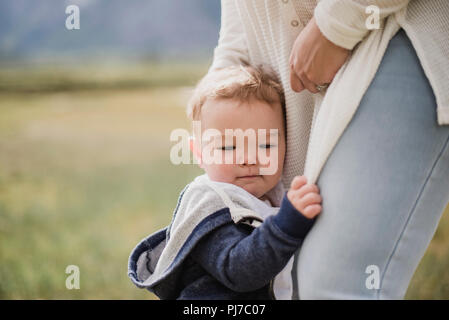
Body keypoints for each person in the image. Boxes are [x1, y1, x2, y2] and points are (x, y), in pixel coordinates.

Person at [210, 0, 449, 299]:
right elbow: (237, 35)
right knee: (296, 286)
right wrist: (211, 130)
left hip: (401, 32)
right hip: (301, 104)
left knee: (335, 286)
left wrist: (334, 25)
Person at [128, 65, 323, 299]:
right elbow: (239, 271)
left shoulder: (272, 196)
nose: (249, 159)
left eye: (265, 145)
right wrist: (287, 225)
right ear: (198, 152)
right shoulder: (209, 206)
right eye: (227, 147)